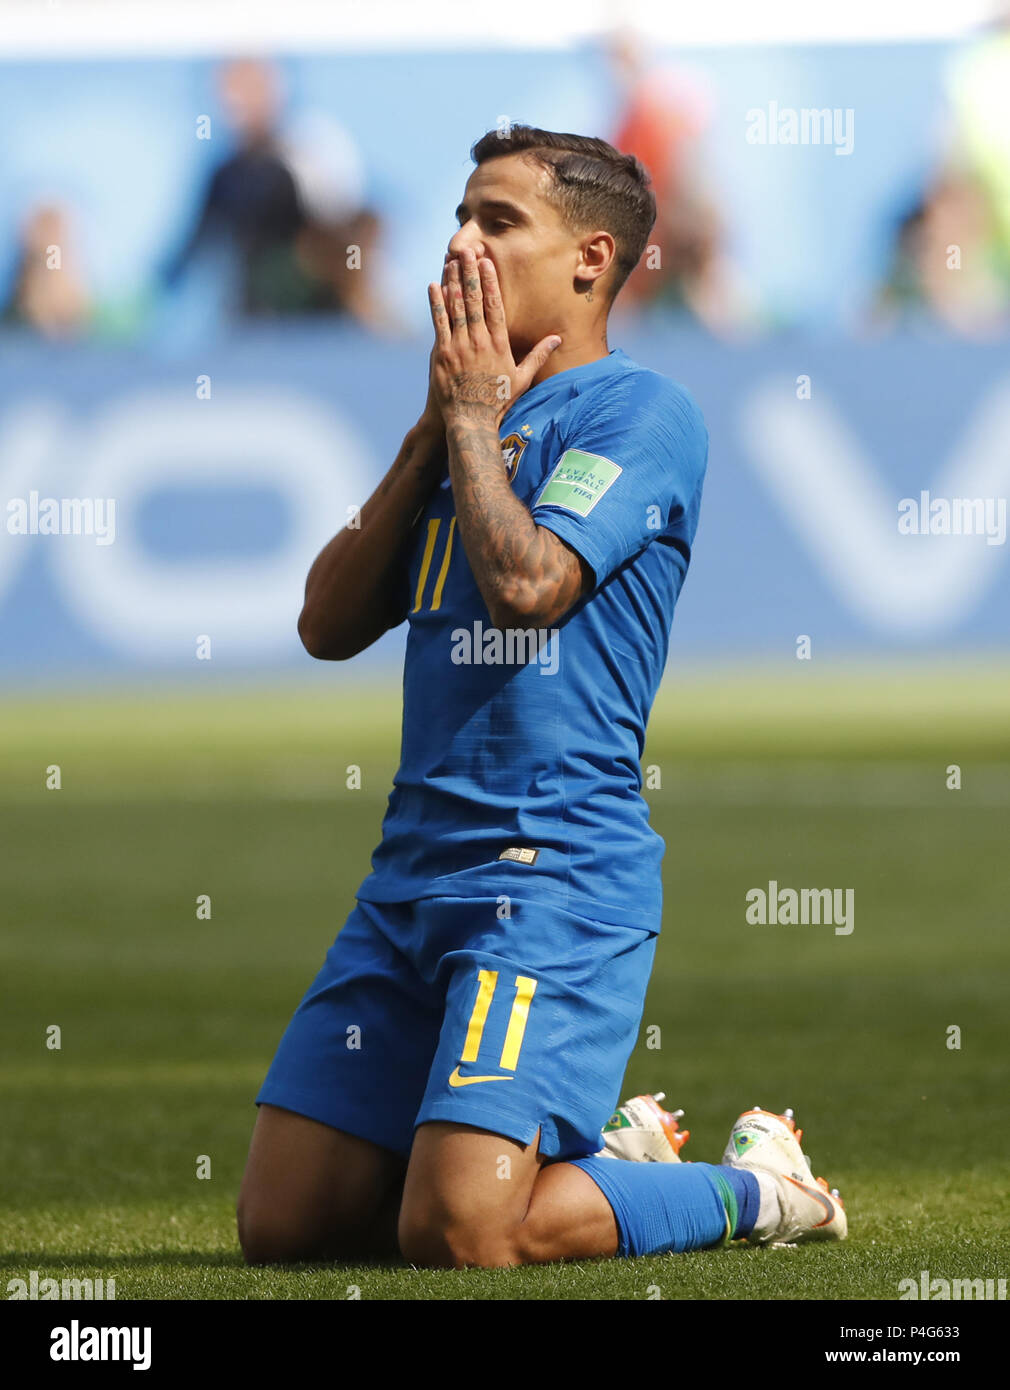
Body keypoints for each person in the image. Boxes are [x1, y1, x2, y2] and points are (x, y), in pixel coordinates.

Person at [237, 125, 847, 1268]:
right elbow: (325, 625)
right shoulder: (461, 428)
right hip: (408, 880)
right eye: (459, 216)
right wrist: (438, 426)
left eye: (497, 221)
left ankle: (761, 1188)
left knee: (464, 1232)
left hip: (549, 878)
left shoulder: (640, 413)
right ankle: (596, 1163)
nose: (461, 243)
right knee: (284, 1228)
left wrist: (470, 421)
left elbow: (527, 585)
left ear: (590, 257)